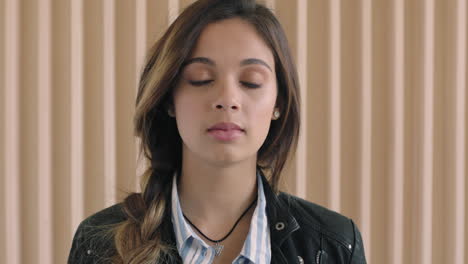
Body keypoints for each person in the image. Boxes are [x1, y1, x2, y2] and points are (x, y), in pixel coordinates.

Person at [68, 0, 367, 263]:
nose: (227, 99)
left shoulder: (333, 245)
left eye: (250, 81)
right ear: (169, 98)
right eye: (200, 79)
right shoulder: (100, 244)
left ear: (279, 103)